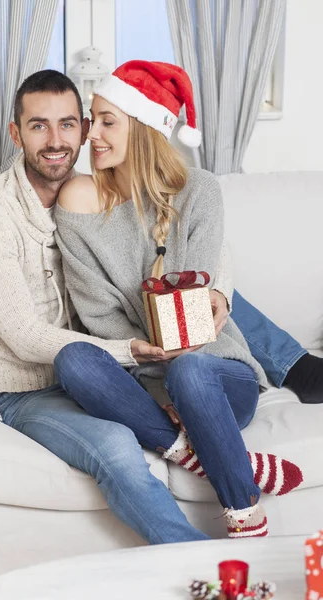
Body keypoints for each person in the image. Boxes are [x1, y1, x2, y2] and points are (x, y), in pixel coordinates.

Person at [0, 68, 313, 546]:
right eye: (38, 125)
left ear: (82, 129)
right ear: (16, 133)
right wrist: (137, 353)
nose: (59, 139)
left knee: (186, 365)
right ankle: (201, 559)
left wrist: (218, 292)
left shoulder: (128, 191)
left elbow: (210, 252)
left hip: (153, 369)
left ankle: (246, 487)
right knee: (101, 408)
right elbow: (26, 335)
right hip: (40, 383)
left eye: (73, 123)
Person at [53, 60, 304, 538]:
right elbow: (97, 314)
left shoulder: (200, 191)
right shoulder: (78, 200)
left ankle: (246, 516)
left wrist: (211, 303)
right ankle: (205, 455)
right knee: (72, 360)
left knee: (190, 369)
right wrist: (147, 360)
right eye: (93, 119)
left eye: (108, 121)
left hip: (217, 373)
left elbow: (198, 303)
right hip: (140, 382)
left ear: (144, 128)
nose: (92, 135)